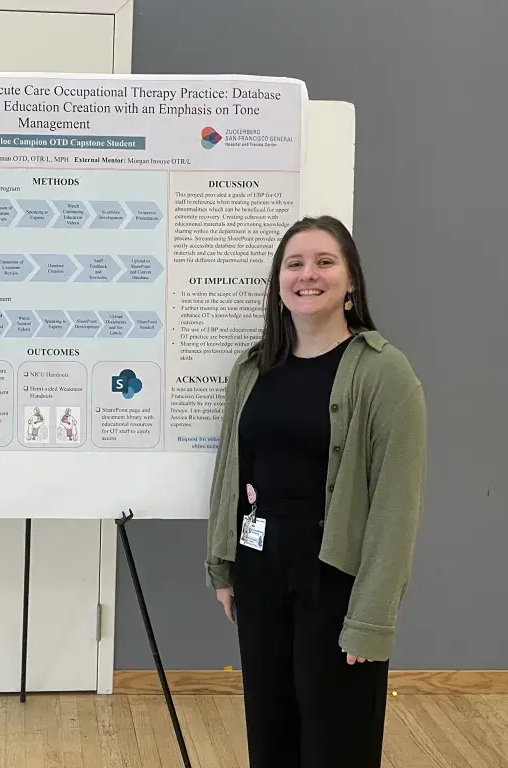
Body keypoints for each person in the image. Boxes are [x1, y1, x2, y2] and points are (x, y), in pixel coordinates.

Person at [205, 215, 427, 768]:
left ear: (351, 281)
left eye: (325, 262)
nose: (309, 274)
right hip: (260, 576)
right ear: (279, 282)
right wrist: (223, 567)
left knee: (336, 742)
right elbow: (229, 476)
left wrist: (371, 618)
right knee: (271, 733)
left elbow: (396, 510)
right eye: (295, 263)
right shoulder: (252, 369)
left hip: (336, 585)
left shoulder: (385, 374)